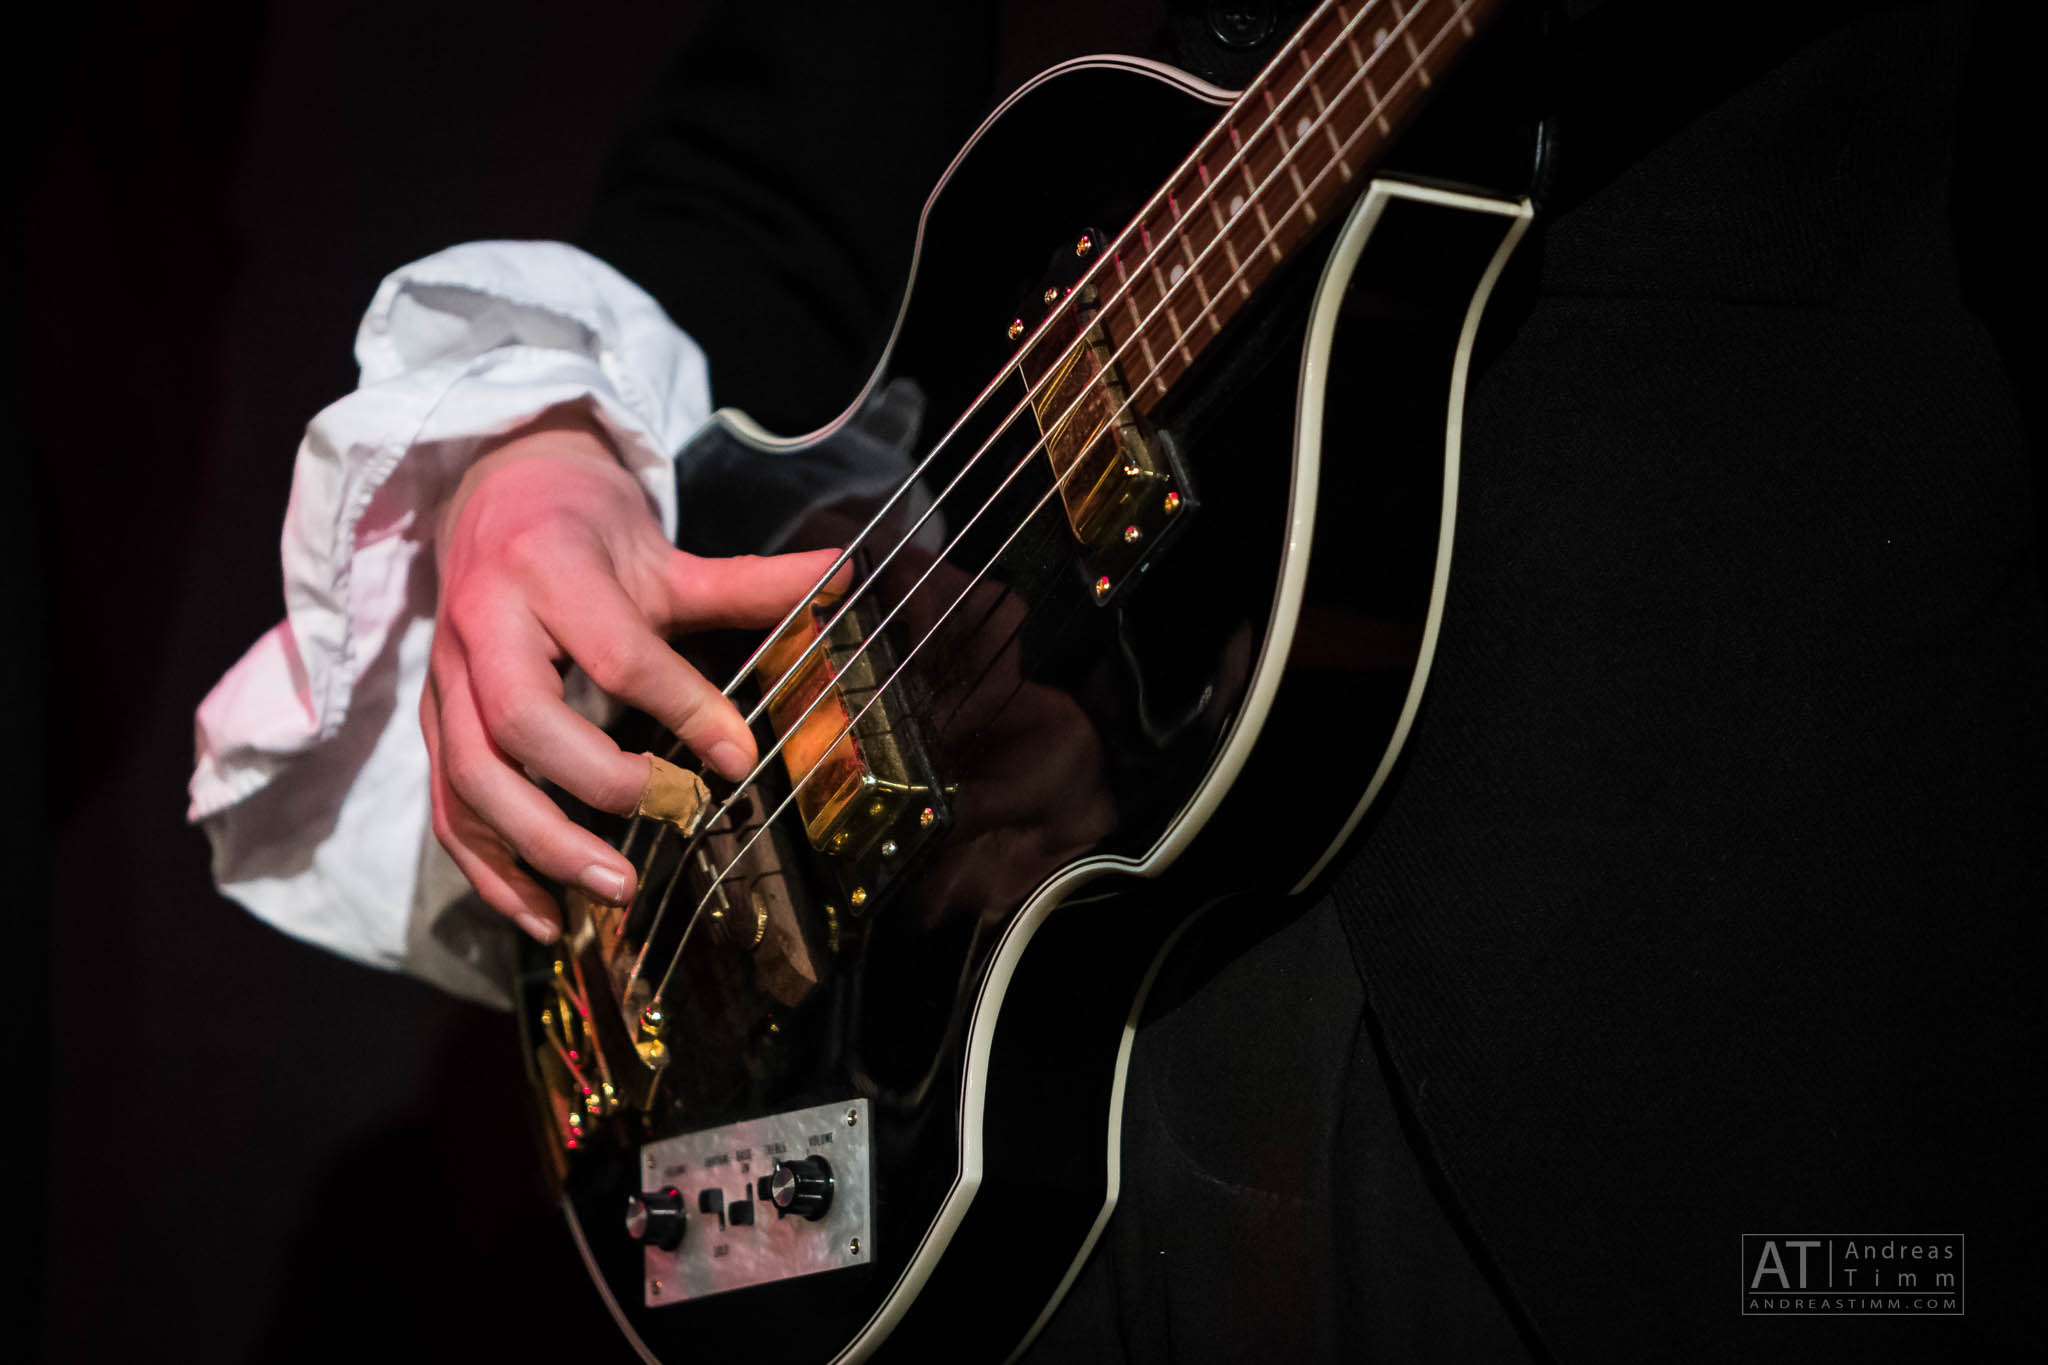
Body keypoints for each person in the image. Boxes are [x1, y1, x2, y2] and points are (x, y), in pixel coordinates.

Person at [190, 0, 2042, 1358]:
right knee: (695, 1243)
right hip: (954, 1090)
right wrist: (534, 447)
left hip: (1691, 961)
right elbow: (766, 158)